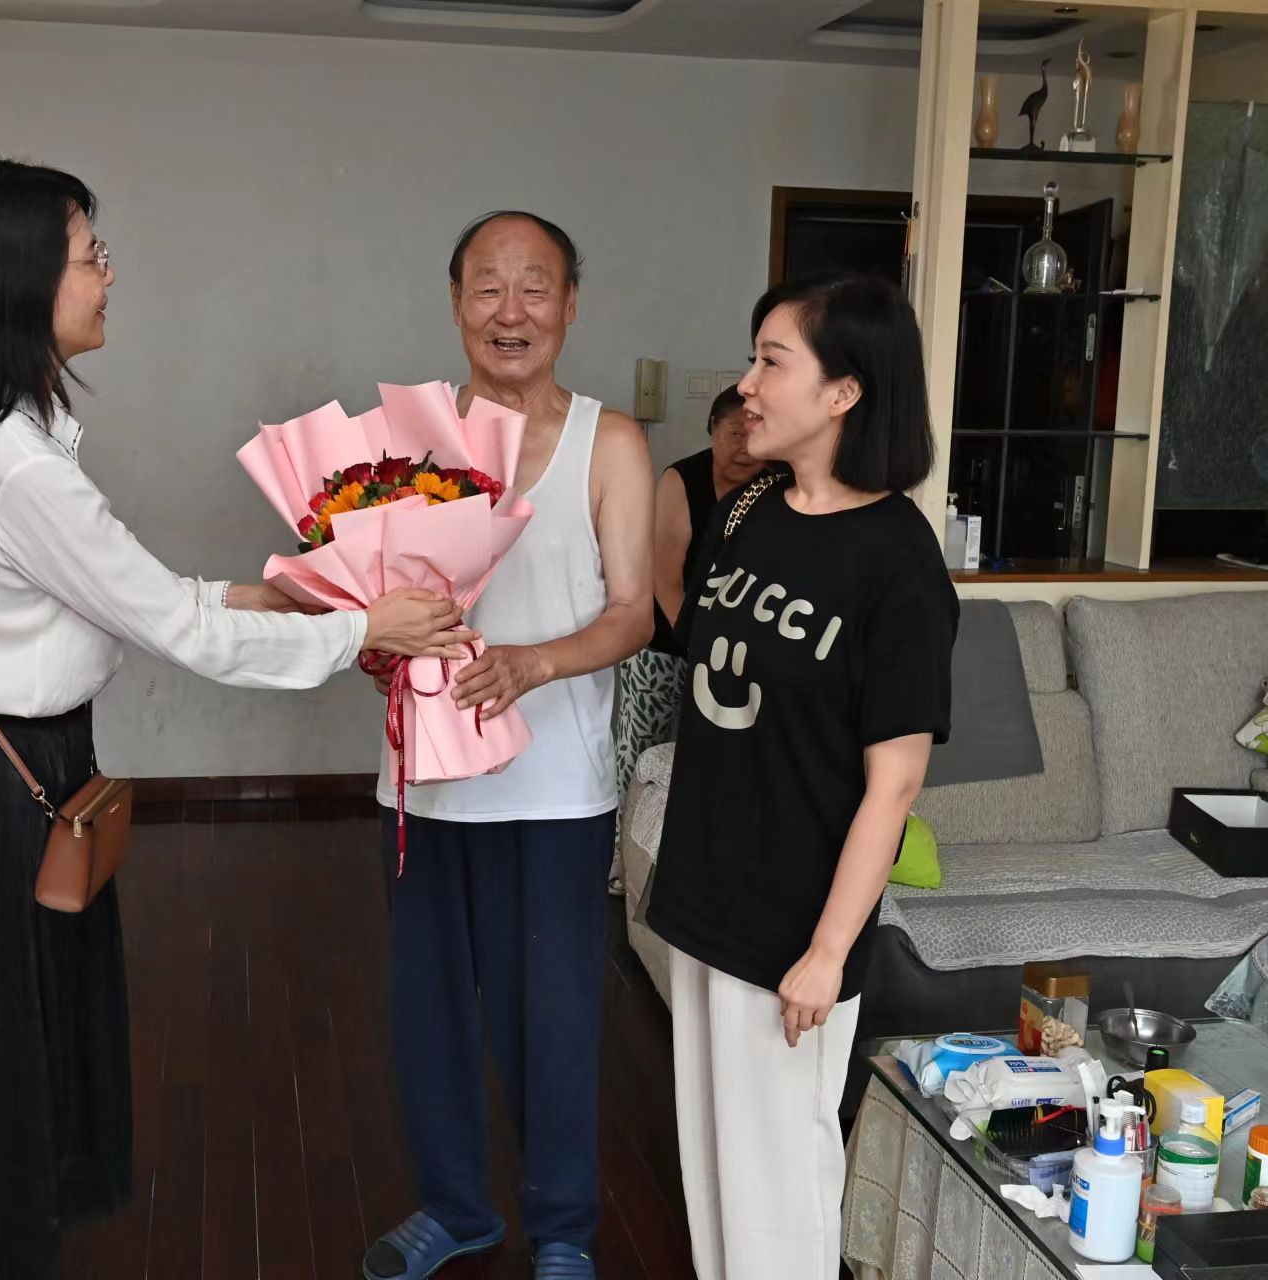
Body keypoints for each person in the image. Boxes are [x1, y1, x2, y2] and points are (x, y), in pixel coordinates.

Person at [0, 158, 469, 1280]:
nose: (109, 276)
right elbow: (174, 628)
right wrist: (364, 630)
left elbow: (127, 596)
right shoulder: (16, 467)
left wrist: (268, 595)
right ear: (22, 280)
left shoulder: (7, 433)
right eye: (91, 255)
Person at [646, 273, 957, 1280]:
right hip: (705, 889)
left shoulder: (899, 563)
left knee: (779, 1186)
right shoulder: (749, 509)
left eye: (771, 361)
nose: (747, 384)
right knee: (713, 1170)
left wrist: (827, 952)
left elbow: (894, 784)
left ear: (844, 392)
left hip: (789, 922)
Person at [362, 211, 654, 1280]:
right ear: (455, 305)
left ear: (570, 306)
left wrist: (534, 663)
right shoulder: (407, 444)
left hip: (556, 788)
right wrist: (373, 644)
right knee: (430, 1009)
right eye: (487, 286)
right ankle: (454, 1207)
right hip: (425, 784)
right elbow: (374, 597)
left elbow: (633, 613)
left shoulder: (610, 444)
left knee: (556, 1019)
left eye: (536, 286)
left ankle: (563, 1226)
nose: (511, 310)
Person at [608, 385, 764, 893]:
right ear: (712, 431)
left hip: (737, 656)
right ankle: (622, 861)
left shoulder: (774, 486)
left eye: (754, 433)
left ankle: (689, 864)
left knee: (708, 757)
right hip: (666, 643)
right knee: (642, 750)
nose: (744, 447)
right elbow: (665, 576)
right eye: (733, 433)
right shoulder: (682, 479)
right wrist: (697, 645)